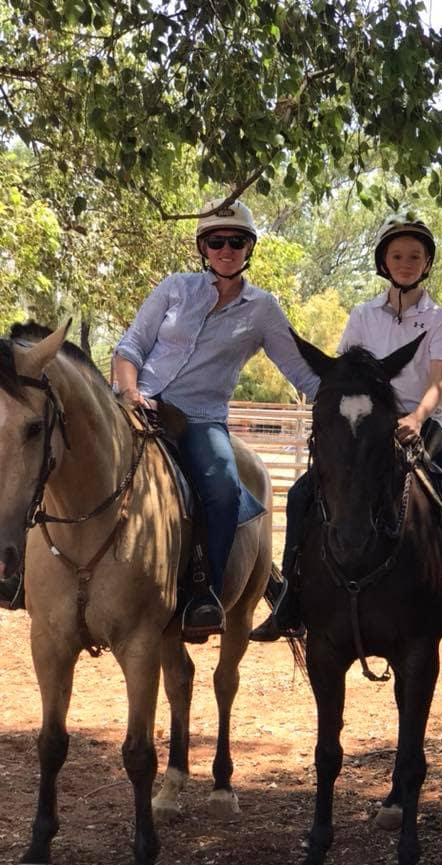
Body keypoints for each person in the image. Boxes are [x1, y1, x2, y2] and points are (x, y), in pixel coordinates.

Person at [251, 212, 442, 641]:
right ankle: (290, 601)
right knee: (302, 494)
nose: (406, 262)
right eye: (397, 255)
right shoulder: (362, 315)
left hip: (419, 420)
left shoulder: (439, 319)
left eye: (415, 255)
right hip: (367, 424)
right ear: (383, 261)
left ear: (427, 262)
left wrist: (415, 417)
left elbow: (439, 380)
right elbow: (343, 375)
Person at [113, 198, 319, 640]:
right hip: (138, 403)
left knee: (224, 487)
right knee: (61, 448)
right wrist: (130, 393)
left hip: (199, 418)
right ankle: (24, 568)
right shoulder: (173, 288)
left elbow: (302, 372)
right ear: (203, 247)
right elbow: (130, 347)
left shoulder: (262, 309)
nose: (226, 249)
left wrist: (352, 397)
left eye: (236, 241)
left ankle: (204, 592)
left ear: (249, 248)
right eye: (216, 241)